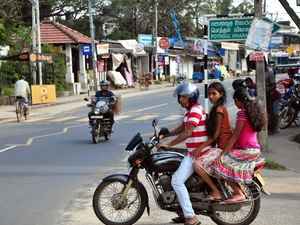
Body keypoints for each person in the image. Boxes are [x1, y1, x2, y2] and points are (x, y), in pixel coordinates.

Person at [157, 82, 209, 225]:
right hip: (192, 153)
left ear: (192, 97)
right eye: (180, 97)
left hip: (198, 154)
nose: (181, 100)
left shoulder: (196, 111)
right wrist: (164, 135)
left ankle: (191, 216)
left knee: (176, 181)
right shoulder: (190, 112)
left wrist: (169, 145)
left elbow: (188, 132)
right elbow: (181, 128)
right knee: (177, 177)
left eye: (184, 97)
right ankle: (182, 212)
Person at [212, 87, 268, 203]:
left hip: (246, 150)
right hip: (253, 149)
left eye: (235, 101)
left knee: (218, 166)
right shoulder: (253, 111)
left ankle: (238, 193)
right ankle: (240, 190)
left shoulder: (243, 113)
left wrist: (222, 155)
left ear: (237, 100)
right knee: (230, 166)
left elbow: (235, 136)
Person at [193, 82, 233, 202]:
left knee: (197, 165)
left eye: (214, 94)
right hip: (220, 146)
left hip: (223, 147)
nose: (211, 96)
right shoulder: (216, 108)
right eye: (209, 94)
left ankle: (215, 191)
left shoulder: (219, 109)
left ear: (221, 94)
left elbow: (216, 135)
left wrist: (201, 147)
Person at [265, 62, 277, 135]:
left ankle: (271, 129)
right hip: (263, 95)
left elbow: (274, 85)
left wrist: (267, 90)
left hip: (269, 95)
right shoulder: (260, 73)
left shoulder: (270, 74)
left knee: (270, 112)